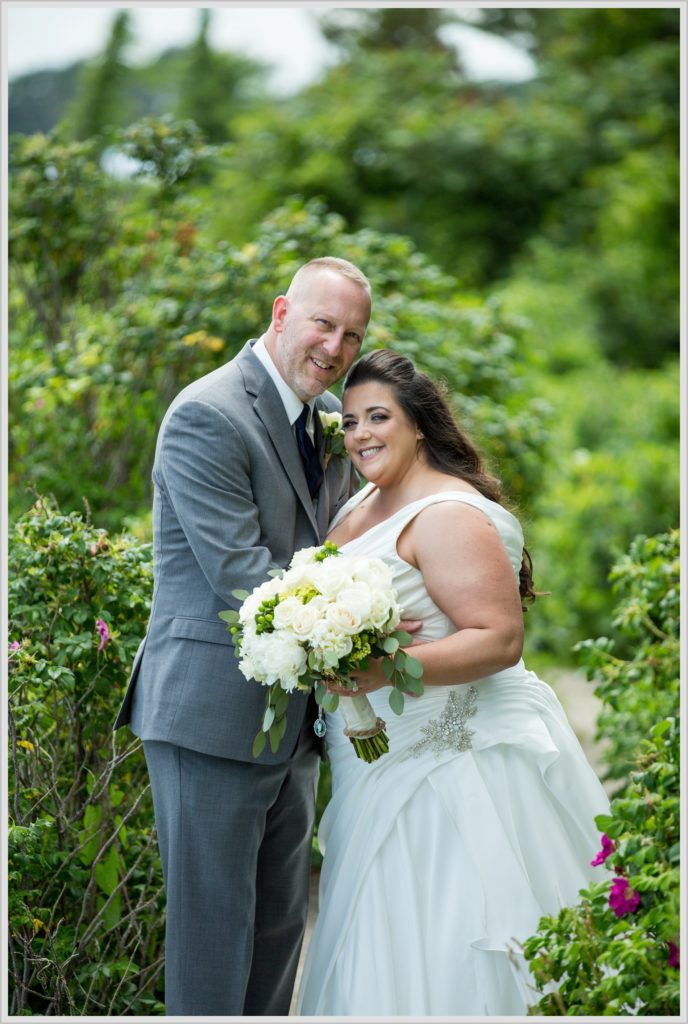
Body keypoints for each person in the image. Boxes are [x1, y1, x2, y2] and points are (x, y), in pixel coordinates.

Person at [296, 349, 611, 1017]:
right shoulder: (366, 501)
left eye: (378, 417)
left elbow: (498, 638)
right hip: (372, 763)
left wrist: (376, 669)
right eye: (349, 423)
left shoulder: (445, 511)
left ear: (418, 424)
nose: (361, 436)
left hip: (452, 766)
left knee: (454, 939)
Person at [113, 257, 373, 1015]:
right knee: (213, 942)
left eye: (352, 335)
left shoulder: (323, 427)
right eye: (324, 323)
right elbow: (243, 579)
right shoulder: (208, 413)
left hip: (291, 728)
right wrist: (359, 634)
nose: (335, 346)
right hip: (210, 720)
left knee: (277, 936)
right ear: (282, 311)